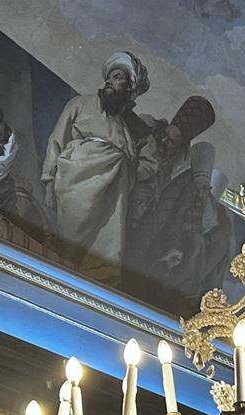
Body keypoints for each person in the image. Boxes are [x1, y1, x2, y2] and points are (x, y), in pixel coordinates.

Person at [42, 50, 159, 284]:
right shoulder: (80, 104)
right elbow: (57, 139)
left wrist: (125, 171)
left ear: (130, 88)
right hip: (76, 177)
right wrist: (48, 180)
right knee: (69, 238)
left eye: (119, 78)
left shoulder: (137, 128)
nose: (110, 82)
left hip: (114, 192)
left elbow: (151, 163)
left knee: (102, 247)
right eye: (110, 77)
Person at [124, 95, 220, 313]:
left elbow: (181, 216)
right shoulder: (148, 137)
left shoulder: (184, 174)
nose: (165, 143)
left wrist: (174, 245)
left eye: (172, 141)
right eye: (165, 136)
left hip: (153, 228)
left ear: (181, 146)